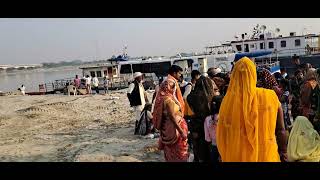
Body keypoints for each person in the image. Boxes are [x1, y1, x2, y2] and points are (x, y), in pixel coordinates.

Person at [216, 57, 288, 162]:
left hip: (238, 157)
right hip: (267, 155)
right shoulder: (270, 96)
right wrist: (284, 152)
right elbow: (281, 130)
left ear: (234, 76)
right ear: (253, 74)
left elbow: (222, 135)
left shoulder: (228, 102)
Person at [153, 65, 189, 162]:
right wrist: (181, 131)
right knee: (178, 153)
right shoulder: (168, 100)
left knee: (171, 153)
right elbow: (172, 117)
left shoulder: (167, 98)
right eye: (173, 86)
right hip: (174, 131)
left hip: (169, 130)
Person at [187, 75, 216, 162]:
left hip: (196, 127)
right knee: (209, 148)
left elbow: (189, 114)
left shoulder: (191, 97)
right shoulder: (211, 96)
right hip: (210, 125)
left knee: (198, 150)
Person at [204, 95, 223, 162]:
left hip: (214, 146)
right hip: (225, 147)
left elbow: (207, 138)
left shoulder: (207, 119)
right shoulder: (225, 119)